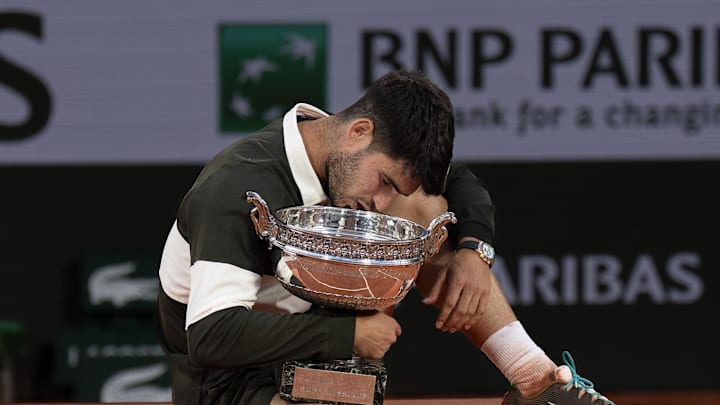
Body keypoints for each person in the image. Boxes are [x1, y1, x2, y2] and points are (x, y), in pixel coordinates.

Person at [156, 70, 614, 405]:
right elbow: (211, 337)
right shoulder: (239, 185)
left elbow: (459, 182)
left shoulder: (352, 156)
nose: (379, 201)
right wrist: (348, 333)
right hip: (229, 385)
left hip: (314, 354)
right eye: (385, 181)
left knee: (423, 208)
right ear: (359, 132)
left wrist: (475, 252)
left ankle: (534, 379)